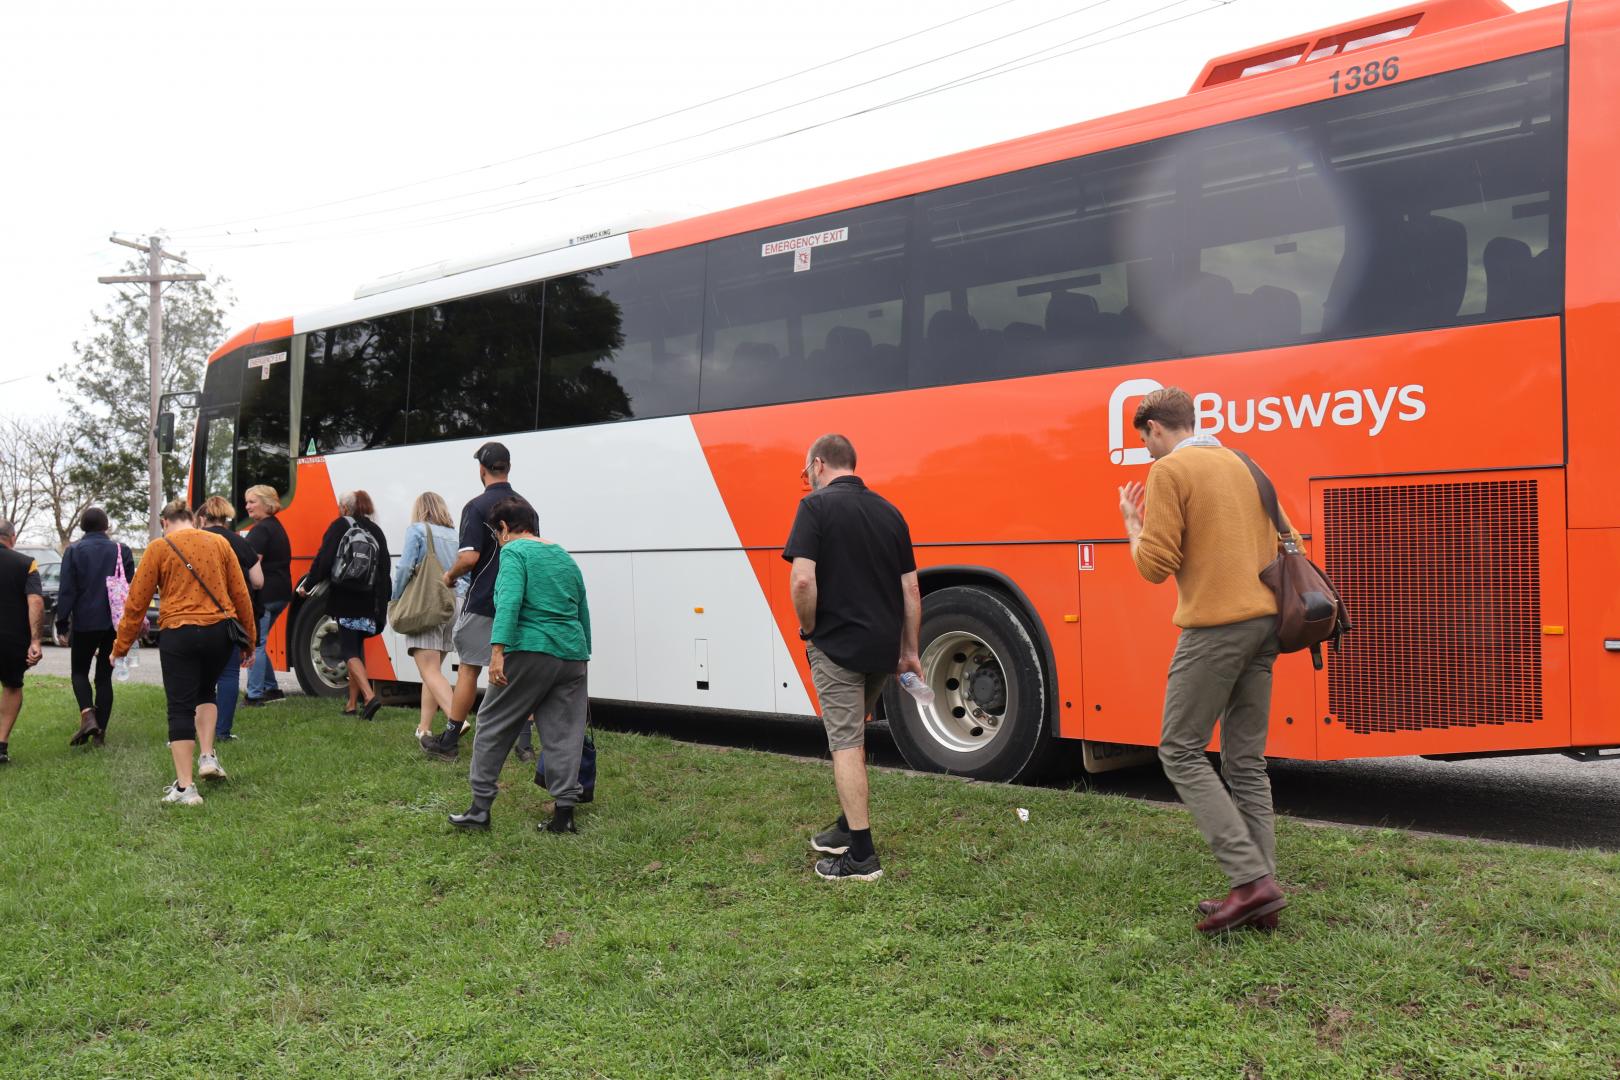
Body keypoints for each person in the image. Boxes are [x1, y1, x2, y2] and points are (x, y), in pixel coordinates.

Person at [1118, 386, 1295, 934]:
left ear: (1154, 429)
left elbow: (1155, 565)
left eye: (1144, 439)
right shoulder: (1244, 462)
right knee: (1245, 761)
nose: (1146, 449)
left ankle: (1249, 881)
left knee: (1179, 749)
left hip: (1216, 628)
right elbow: (1289, 541)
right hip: (1268, 623)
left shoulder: (1170, 471)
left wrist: (1131, 524)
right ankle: (1261, 894)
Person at [784, 434, 921, 882]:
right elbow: (911, 590)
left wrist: (809, 629)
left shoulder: (815, 509)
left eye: (807, 474)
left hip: (837, 646)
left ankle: (861, 854)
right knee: (853, 733)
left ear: (819, 464)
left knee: (845, 744)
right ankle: (846, 826)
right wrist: (909, 651)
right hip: (881, 650)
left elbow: (803, 582)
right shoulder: (890, 512)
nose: (808, 482)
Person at [448, 496, 591, 834]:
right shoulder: (562, 555)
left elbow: (509, 601)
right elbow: (582, 608)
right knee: (564, 732)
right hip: (572, 653)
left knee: (492, 723)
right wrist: (583, 653)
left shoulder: (513, 552)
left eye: (495, 534)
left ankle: (479, 810)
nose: (497, 541)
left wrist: (497, 651)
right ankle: (564, 815)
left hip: (529, 650)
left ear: (502, 528)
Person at [112, 500, 255, 805]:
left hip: (179, 631)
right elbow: (241, 594)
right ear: (194, 519)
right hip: (220, 631)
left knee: (179, 706)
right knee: (207, 691)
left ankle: (185, 788)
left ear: (165, 522)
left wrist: (120, 647)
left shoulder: (158, 548)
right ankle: (207, 757)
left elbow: (136, 604)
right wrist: (249, 641)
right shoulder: (219, 543)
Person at [420, 442, 525, 761]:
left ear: (482, 470)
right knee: (518, 670)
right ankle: (525, 746)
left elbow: (469, 558)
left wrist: (450, 576)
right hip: (519, 600)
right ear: (508, 468)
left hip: (484, 599)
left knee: (468, 669)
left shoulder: (477, 507)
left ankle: (449, 741)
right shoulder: (526, 507)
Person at [300, 490, 389, 718]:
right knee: (356, 648)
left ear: (346, 508)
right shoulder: (376, 531)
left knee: (348, 649)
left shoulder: (341, 525)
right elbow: (385, 568)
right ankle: (351, 704)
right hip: (372, 598)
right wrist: (384, 601)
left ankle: (369, 698)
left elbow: (324, 559)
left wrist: (308, 585)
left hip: (348, 597)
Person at [54, 507, 135, 747]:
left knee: (79, 672)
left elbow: (67, 589)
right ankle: (100, 733)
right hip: (114, 623)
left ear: (82, 527)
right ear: (106, 525)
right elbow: (131, 587)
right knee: (104, 678)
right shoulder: (122, 550)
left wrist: (61, 622)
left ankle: (88, 716)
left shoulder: (74, 551)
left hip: (85, 623)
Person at [390, 491, 465, 740]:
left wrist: (396, 598)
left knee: (429, 670)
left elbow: (404, 569)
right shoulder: (456, 536)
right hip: (455, 603)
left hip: (427, 604)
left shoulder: (418, 530)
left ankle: (457, 719)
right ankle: (424, 728)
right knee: (432, 671)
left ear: (420, 509)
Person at [198, 496, 264, 743]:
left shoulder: (195, 541)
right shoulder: (239, 542)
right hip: (230, 616)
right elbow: (258, 581)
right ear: (227, 517)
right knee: (228, 674)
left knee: (197, 676)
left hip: (198, 615)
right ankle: (222, 731)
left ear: (202, 518)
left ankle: (195, 730)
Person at [0, 519, 45, 765]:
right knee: (12, 686)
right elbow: (35, 601)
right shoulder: (25, 563)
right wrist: (36, 640)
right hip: (10, 638)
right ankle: (1, 745)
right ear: (12, 538)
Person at [243, 485, 293, 707]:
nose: (247, 506)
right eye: (247, 502)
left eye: (252, 501)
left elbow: (251, 564)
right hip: (281, 592)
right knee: (261, 642)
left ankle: (254, 695)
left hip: (265, 594)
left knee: (256, 644)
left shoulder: (261, 530)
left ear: (266, 503)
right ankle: (271, 689)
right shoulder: (276, 527)